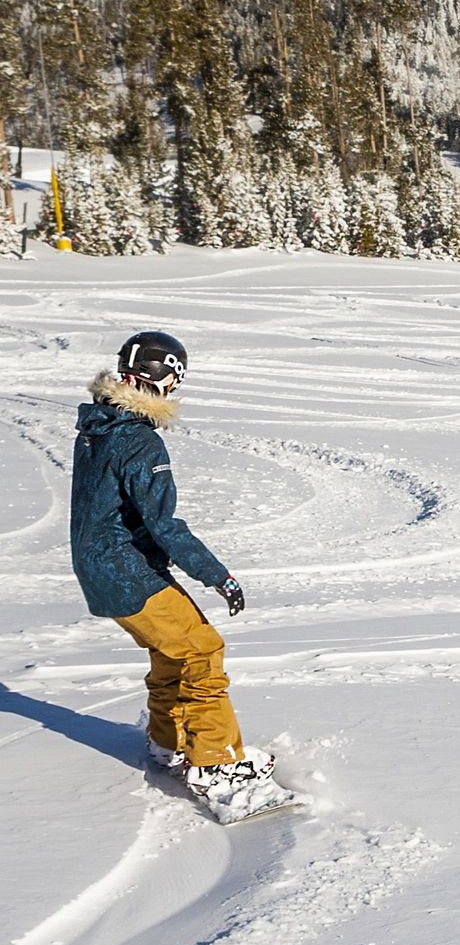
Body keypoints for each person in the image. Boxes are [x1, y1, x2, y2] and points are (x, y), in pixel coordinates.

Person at [70, 331, 290, 822]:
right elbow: (164, 524)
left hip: (100, 569)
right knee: (202, 651)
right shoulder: (139, 441)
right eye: (174, 376)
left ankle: (167, 742)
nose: (175, 386)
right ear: (160, 376)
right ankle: (216, 763)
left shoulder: (99, 426)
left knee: (172, 650)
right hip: (126, 571)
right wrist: (218, 576)